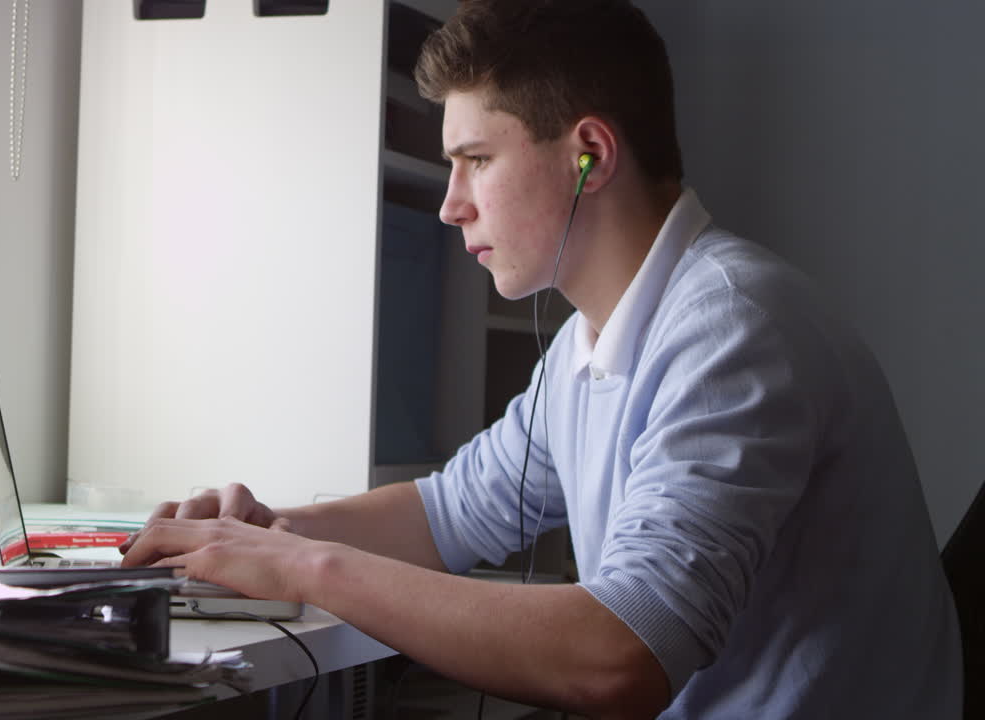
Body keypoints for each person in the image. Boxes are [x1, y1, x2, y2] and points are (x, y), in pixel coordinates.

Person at [120, 0, 962, 716]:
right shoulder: (586, 346)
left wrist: (309, 567)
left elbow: (622, 654)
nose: (451, 206)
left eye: (475, 161)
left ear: (588, 154)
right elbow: (452, 513)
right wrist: (259, 533)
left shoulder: (735, 329)